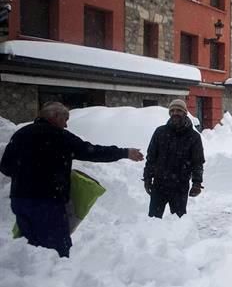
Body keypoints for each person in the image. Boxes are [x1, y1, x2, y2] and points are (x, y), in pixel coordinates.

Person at [0, 101, 144, 257]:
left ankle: (31, 277)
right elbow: (92, 152)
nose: (66, 125)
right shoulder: (60, 136)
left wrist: (26, 175)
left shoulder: (21, 134)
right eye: (65, 119)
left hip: (20, 200)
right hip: (48, 201)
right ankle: (57, 276)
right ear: (54, 117)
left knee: (30, 246)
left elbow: (6, 167)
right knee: (57, 248)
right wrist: (124, 152)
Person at [143, 99, 205, 218]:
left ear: (185, 113)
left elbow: (198, 162)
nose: (175, 113)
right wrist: (147, 178)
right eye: (172, 111)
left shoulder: (193, 137)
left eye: (179, 111)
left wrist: (197, 183)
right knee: (153, 220)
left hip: (180, 186)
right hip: (159, 184)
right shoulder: (160, 132)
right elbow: (151, 158)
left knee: (178, 222)